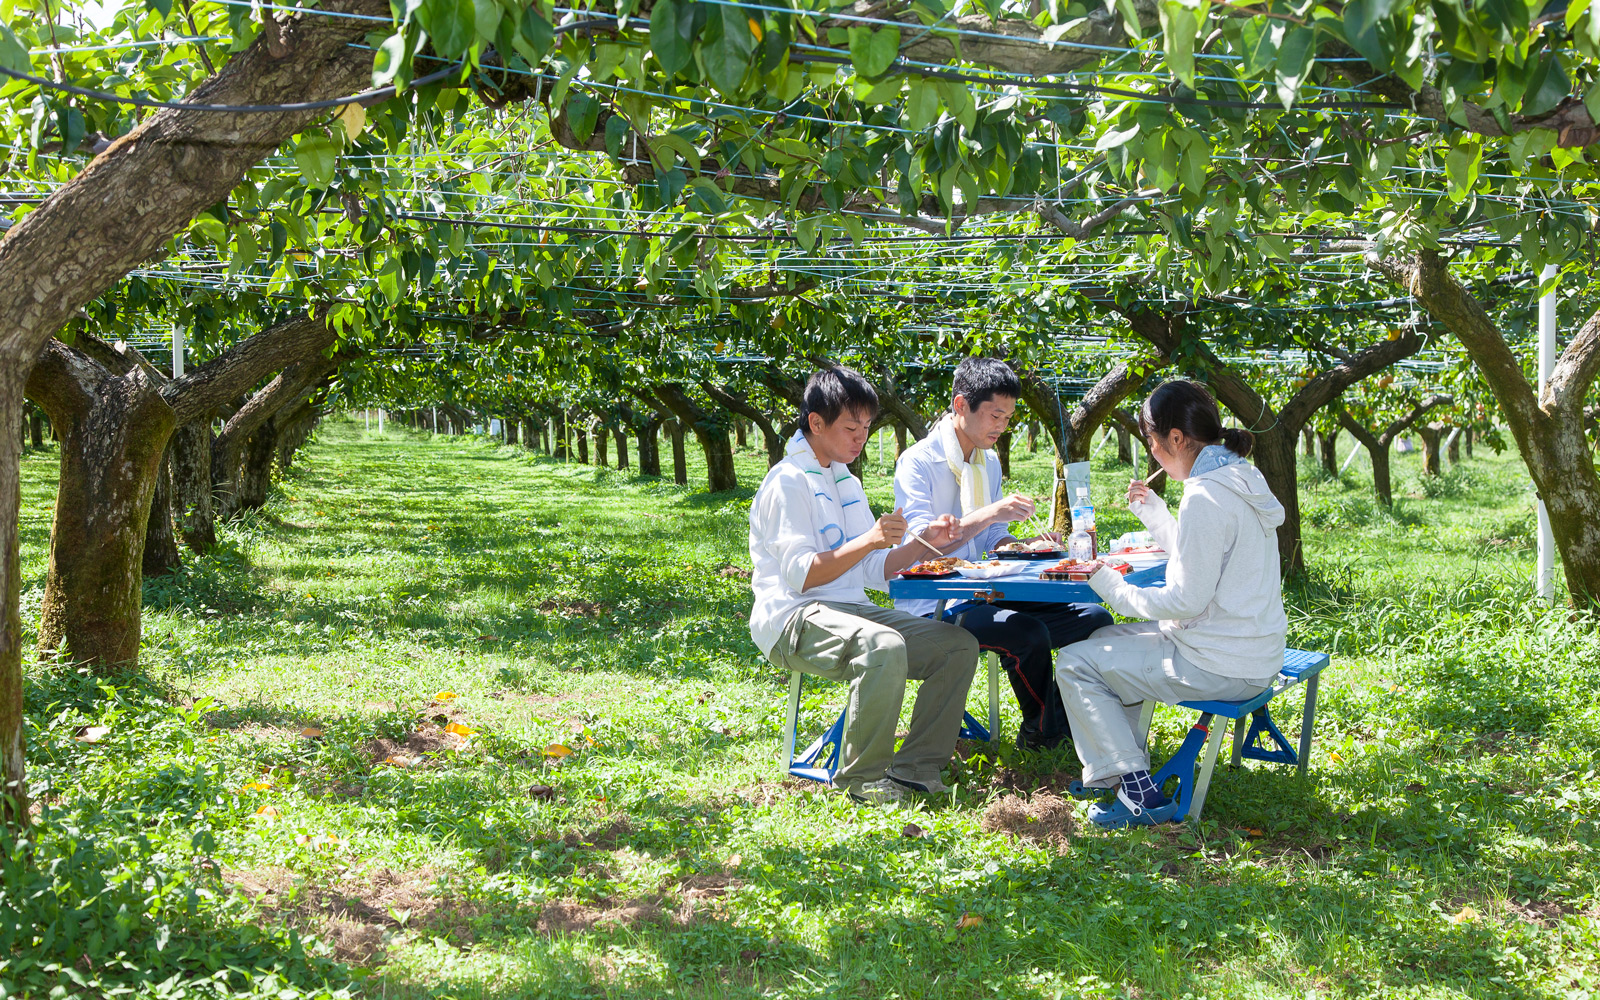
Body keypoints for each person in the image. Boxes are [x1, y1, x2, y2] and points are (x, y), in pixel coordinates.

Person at [1054, 379, 1288, 828]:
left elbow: (1185, 596)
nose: (1154, 452)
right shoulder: (1239, 475)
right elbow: (1203, 560)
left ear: (1176, 439)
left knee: (1074, 663)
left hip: (1218, 662)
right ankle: (1119, 768)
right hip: (1253, 653)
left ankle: (1137, 791)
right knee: (1101, 638)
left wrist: (1106, 582)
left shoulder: (1204, 494)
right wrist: (1157, 514)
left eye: (1153, 442)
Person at [748, 366, 980, 805]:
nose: (861, 438)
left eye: (867, 428)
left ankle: (915, 769)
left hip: (848, 609)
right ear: (816, 423)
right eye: (851, 427)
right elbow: (803, 574)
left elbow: (876, 570)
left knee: (957, 646)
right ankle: (861, 781)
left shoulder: (846, 481)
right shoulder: (787, 482)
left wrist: (924, 543)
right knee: (883, 645)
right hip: (793, 618)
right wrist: (870, 538)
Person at [894, 357, 1113, 750]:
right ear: (961, 405)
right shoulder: (918, 463)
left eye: (1009, 418)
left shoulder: (987, 461)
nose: (1002, 427)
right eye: (995, 415)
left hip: (989, 589)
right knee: (1027, 633)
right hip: (938, 601)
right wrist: (991, 512)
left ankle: (1077, 718)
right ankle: (1045, 732)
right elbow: (923, 544)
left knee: (1094, 618)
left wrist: (1024, 546)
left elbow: (993, 537)